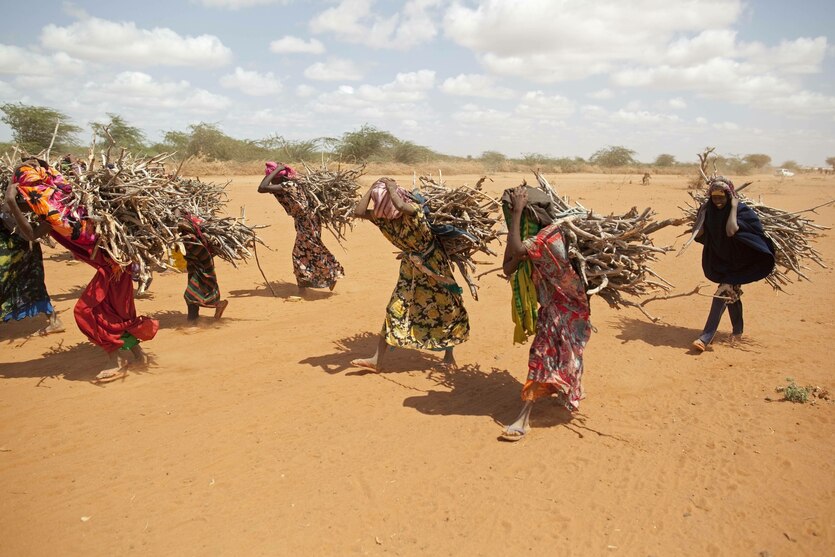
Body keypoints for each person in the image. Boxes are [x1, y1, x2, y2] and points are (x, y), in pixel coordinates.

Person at [5, 158, 158, 382]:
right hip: (118, 264)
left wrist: (10, 201)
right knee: (116, 313)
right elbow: (35, 229)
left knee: (85, 312)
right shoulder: (62, 206)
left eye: (23, 199)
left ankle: (116, 359)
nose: (22, 204)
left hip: (112, 267)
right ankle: (138, 354)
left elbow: (30, 234)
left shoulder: (56, 215)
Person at [500, 186, 592, 441]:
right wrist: (516, 250)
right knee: (563, 357)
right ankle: (565, 388)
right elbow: (508, 267)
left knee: (542, 356)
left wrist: (516, 214)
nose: (513, 220)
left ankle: (524, 418)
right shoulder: (531, 240)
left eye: (517, 215)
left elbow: (517, 251)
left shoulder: (550, 236)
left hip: (568, 310)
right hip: (553, 307)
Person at [350, 178, 469, 371]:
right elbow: (358, 212)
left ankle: (449, 356)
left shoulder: (414, 211)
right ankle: (376, 360)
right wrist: (372, 188)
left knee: (447, 308)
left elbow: (400, 206)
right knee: (395, 309)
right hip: (410, 270)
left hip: (434, 267)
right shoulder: (383, 219)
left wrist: (390, 190)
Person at [689, 177, 775, 351]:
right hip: (722, 260)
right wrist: (702, 213)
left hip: (741, 262)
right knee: (730, 293)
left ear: (729, 196)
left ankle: (705, 338)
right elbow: (698, 235)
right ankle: (738, 331)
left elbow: (731, 230)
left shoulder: (742, 210)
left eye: (721, 197)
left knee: (722, 293)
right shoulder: (709, 210)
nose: (718, 201)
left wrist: (734, 207)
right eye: (714, 197)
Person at [257, 162, 343, 295]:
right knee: (310, 250)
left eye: (274, 178)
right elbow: (262, 188)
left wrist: (277, 170)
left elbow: (262, 187)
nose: (272, 180)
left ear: (280, 177)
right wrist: (275, 172)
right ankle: (327, 275)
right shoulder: (280, 187)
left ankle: (327, 276)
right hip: (302, 220)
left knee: (302, 252)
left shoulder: (289, 185)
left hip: (308, 220)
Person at [0, 201, 64, 334]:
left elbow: (12, 205)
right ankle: (54, 320)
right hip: (16, 239)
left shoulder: (13, 195)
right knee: (31, 279)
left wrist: (7, 208)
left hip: (15, 241)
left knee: (29, 279)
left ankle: (54, 320)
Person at [177, 214, 228, 322]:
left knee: (190, 295)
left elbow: (199, 254)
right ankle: (217, 305)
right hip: (195, 267)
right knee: (198, 293)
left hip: (202, 268)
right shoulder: (185, 239)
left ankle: (192, 320)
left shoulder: (191, 239)